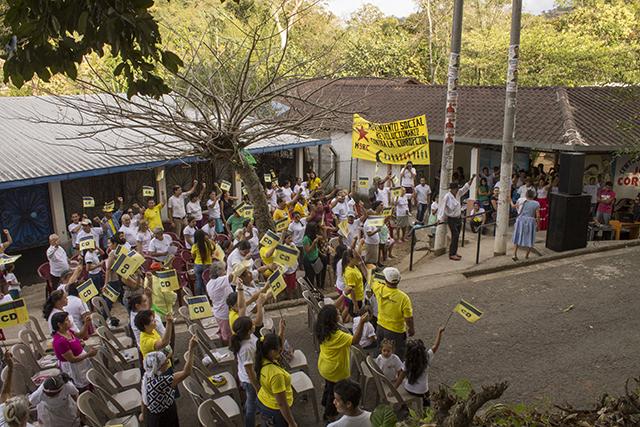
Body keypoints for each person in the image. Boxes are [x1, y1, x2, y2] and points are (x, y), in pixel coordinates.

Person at [316, 304, 368, 421]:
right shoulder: (338, 336)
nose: (340, 314)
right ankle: (330, 414)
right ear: (333, 320)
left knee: (329, 387)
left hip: (325, 366)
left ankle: (325, 402)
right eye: (338, 314)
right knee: (334, 394)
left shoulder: (321, 329)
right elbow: (355, 340)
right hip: (335, 371)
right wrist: (362, 322)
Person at [142, 337, 198, 427]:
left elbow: (143, 399)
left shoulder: (148, 375)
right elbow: (186, 372)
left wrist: (144, 416)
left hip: (155, 416)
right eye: (165, 362)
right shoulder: (160, 382)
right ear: (158, 367)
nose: (168, 363)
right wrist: (191, 349)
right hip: (164, 417)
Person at [394, 329, 445, 408]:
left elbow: (400, 379)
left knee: (404, 380)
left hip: (409, 389)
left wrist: (394, 390)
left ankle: (405, 408)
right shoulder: (427, 357)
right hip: (423, 390)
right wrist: (439, 332)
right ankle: (426, 411)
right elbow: (435, 345)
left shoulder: (407, 363)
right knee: (427, 399)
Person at [255, 333, 297, 427]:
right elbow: (281, 404)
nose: (281, 349)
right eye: (279, 348)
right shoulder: (276, 375)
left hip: (263, 399)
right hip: (275, 410)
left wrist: (282, 330)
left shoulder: (262, 358)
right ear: (272, 351)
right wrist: (291, 422)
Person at [371, 267, 414, 359]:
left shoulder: (379, 289)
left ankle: (379, 367)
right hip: (396, 331)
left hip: (381, 327)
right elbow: (408, 318)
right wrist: (411, 329)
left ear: (385, 280)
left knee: (380, 349)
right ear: (399, 280)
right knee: (397, 354)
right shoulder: (404, 298)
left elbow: (371, 277)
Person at [50, 312, 96, 391]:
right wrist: (88, 354)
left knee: (88, 381)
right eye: (67, 320)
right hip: (74, 368)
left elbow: (80, 335)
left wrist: (86, 324)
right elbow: (72, 359)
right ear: (59, 324)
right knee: (80, 387)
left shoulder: (68, 331)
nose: (69, 321)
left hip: (81, 363)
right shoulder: (60, 341)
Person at [437, 174, 476, 261]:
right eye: (456, 189)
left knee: (457, 236)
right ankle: (451, 254)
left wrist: (472, 178)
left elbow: (466, 187)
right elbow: (442, 207)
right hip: (451, 219)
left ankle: (454, 252)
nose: (457, 190)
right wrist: (439, 219)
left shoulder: (458, 193)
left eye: (457, 188)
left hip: (458, 218)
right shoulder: (447, 196)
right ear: (452, 189)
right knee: (455, 235)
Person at [512, 189, 540, 261]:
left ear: (526, 195)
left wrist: (509, 200)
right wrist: (538, 225)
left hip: (520, 220)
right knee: (530, 237)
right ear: (533, 195)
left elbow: (514, 207)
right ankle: (526, 256)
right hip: (530, 221)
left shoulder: (522, 201)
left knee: (517, 236)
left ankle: (514, 254)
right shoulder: (536, 203)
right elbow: (538, 215)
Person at [191, 229, 213, 296]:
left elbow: (193, 255)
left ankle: (199, 295)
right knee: (208, 280)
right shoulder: (208, 243)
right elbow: (213, 249)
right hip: (208, 265)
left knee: (198, 280)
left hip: (198, 264)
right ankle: (209, 294)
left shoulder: (195, 246)